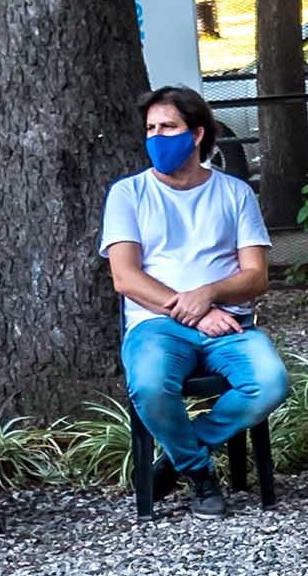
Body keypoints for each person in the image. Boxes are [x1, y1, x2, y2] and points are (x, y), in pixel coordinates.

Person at [104, 87, 286, 517]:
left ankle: (179, 457)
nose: (157, 137)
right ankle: (200, 475)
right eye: (150, 129)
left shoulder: (234, 193)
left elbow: (256, 277)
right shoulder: (127, 194)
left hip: (230, 325)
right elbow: (125, 276)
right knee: (149, 385)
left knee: (270, 383)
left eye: (168, 127)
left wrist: (209, 295)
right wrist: (193, 310)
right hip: (156, 325)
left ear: (197, 133)